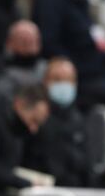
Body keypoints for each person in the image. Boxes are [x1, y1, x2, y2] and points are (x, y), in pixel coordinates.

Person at [23, 57, 89, 187]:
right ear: (45, 81)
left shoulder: (80, 120)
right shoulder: (32, 116)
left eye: (68, 80)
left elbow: (86, 166)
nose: (64, 85)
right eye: (57, 79)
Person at [0, 84, 50, 196]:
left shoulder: (17, 130)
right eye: (33, 120)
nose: (34, 129)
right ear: (20, 104)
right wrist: (24, 182)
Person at [0, 20, 46, 109]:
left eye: (32, 40)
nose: (28, 44)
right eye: (23, 40)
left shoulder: (46, 69)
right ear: (9, 42)